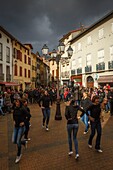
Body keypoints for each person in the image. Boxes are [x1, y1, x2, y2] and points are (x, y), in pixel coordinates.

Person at [12, 99, 29, 163]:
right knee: (14, 141)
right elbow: (13, 116)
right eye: (16, 102)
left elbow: (28, 115)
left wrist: (24, 122)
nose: (17, 103)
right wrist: (14, 121)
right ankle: (23, 142)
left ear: (20, 103)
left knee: (18, 142)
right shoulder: (15, 109)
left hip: (21, 127)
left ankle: (18, 155)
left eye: (18, 102)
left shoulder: (23, 109)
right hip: (16, 127)